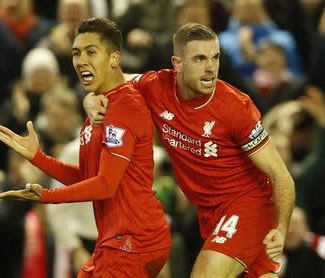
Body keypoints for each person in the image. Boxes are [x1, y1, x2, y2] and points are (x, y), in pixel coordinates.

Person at [84, 23, 295, 278]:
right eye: (200, 59)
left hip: (247, 206)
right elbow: (117, 79)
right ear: (177, 63)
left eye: (215, 58)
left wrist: (281, 230)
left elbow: (281, 176)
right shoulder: (156, 86)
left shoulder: (236, 107)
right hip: (209, 213)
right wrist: (92, 96)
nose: (210, 68)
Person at [0, 17, 171, 277]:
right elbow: (90, 177)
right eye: (76, 53)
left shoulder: (124, 106)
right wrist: (38, 158)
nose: (81, 60)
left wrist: (46, 196)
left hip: (134, 241)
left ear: (114, 59)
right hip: (118, 240)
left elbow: (105, 186)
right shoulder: (100, 107)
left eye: (91, 52)